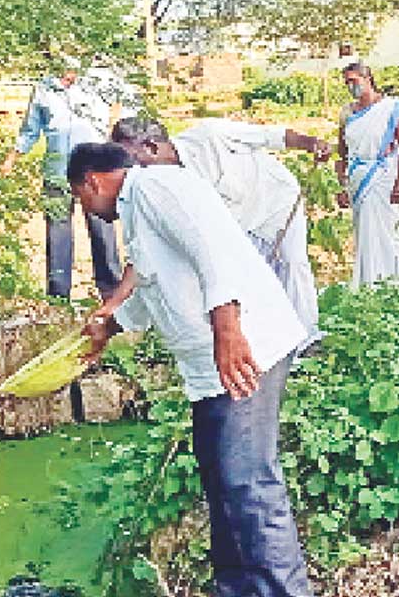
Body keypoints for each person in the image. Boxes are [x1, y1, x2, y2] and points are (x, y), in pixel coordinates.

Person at [69, 142, 312, 597]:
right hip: (210, 371)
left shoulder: (157, 187)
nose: (83, 208)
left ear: (92, 181)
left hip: (243, 353)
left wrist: (229, 329)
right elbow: (155, 285)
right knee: (223, 487)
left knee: (250, 487)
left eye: (79, 197)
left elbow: (211, 251)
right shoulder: (138, 213)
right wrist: (111, 324)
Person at [107, 117, 330, 347]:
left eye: (133, 162)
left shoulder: (211, 136)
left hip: (277, 204)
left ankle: (308, 340)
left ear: (152, 148)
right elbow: (144, 251)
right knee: (244, 280)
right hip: (239, 226)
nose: (130, 173)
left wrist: (311, 143)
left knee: (293, 264)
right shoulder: (161, 190)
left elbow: (272, 136)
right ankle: (267, 343)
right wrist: (114, 305)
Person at [0, 57, 123, 299]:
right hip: (57, 170)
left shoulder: (98, 82)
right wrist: (11, 159)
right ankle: (58, 295)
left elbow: (122, 105)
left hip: (94, 171)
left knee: (102, 228)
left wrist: (114, 144)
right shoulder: (44, 89)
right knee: (57, 232)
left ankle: (112, 291)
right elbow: (30, 129)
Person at [335, 63, 399, 288]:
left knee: (390, 233)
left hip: (385, 178)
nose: (351, 86)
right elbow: (342, 153)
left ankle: (392, 283)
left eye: (354, 80)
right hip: (359, 179)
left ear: (368, 78)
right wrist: (342, 186)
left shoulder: (392, 108)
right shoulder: (347, 112)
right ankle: (367, 283)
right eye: (347, 82)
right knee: (366, 235)